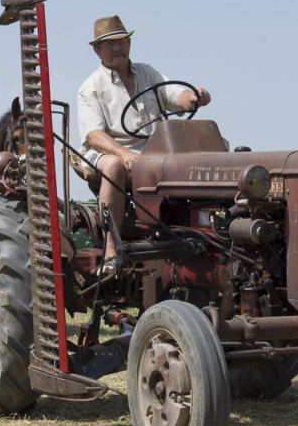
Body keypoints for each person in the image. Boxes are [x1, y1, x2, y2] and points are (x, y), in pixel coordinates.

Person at [75, 15, 211, 275]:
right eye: (109, 44)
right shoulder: (90, 87)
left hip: (153, 151)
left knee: (203, 157)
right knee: (114, 166)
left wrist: (193, 97)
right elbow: (93, 135)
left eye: (121, 41)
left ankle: (200, 235)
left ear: (129, 43)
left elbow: (174, 95)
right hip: (105, 152)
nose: (117, 48)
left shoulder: (148, 73)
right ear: (97, 50)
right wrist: (123, 153)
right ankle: (111, 250)